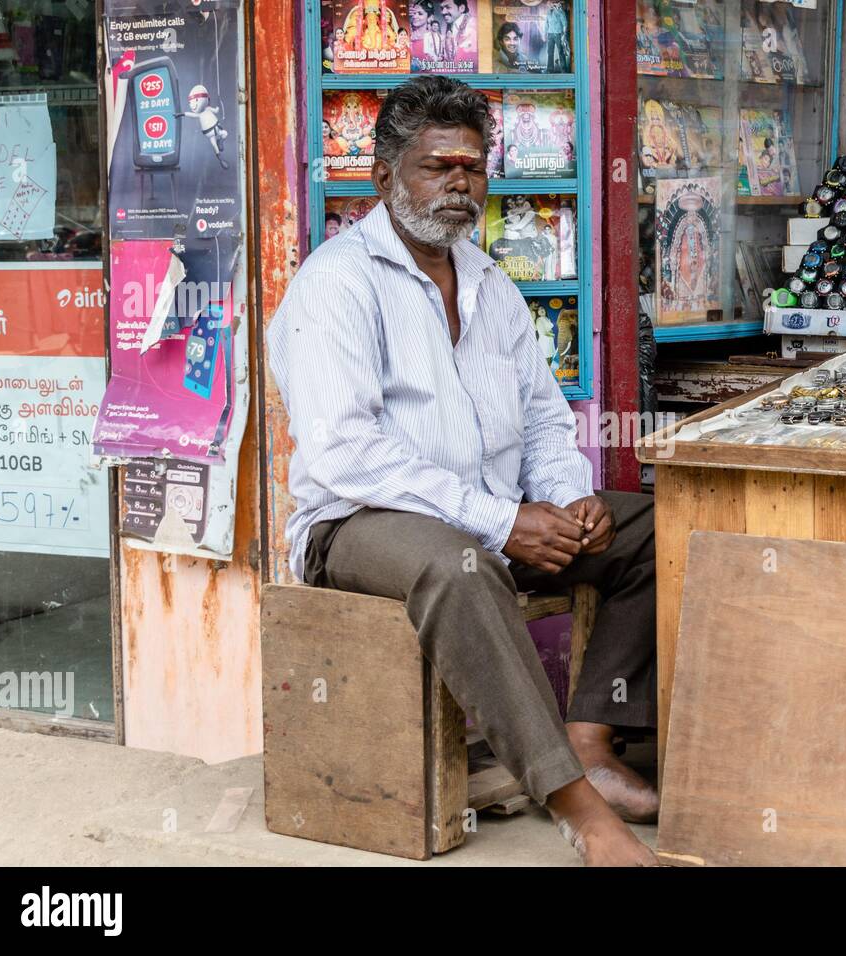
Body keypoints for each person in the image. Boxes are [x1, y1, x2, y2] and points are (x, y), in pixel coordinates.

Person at [267, 76, 659, 867]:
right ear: (384, 179)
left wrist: (568, 500)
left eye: (472, 168)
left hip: (488, 511)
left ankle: (591, 740)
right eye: (435, 167)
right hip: (356, 526)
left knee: (651, 525)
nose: (458, 184)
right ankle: (579, 809)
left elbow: (545, 416)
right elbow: (344, 452)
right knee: (461, 563)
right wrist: (504, 519)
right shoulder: (336, 285)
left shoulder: (490, 283)